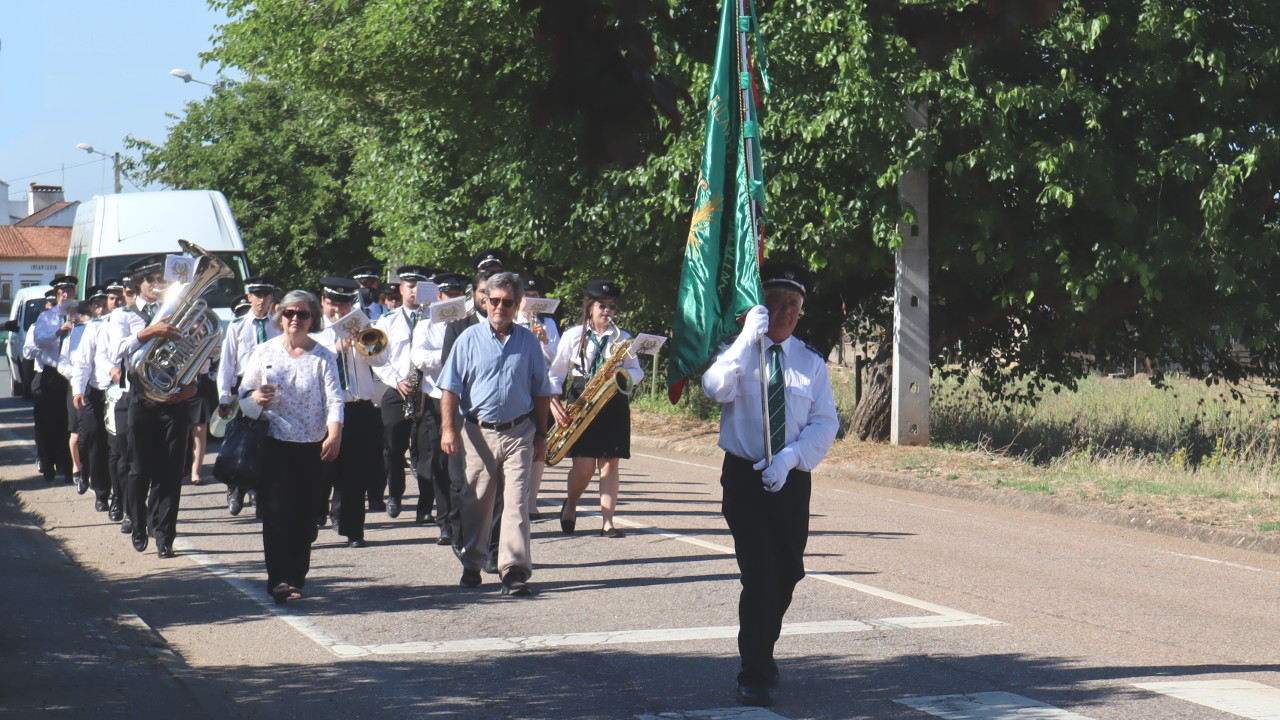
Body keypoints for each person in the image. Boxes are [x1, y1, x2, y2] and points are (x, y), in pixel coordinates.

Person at [701, 262, 839, 708]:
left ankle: (761, 647)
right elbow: (715, 389)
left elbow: (824, 423)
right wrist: (744, 341)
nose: (784, 312)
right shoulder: (738, 350)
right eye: (775, 303)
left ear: (801, 312)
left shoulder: (811, 362)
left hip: (791, 478)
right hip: (744, 477)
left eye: (792, 306)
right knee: (760, 576)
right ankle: (755, 671)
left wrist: (791, 457)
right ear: (760, 307)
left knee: (787, 573)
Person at [438, 271, 553, 596]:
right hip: (478, 433)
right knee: (477, 502)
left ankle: (513, 570)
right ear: (485, 301)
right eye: (494, 301)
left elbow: (540, 390)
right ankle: (472, 563)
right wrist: (449, 429)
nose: (500, 307)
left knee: (517, 502)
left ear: (517, 305)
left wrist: (542, 434)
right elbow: (450, 388)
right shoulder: (468, 339)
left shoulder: (528, 341)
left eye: (507, 302)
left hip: (519, 432)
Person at [239, 290, 343, 604]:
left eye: (302, 314)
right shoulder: (264, 351)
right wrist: (255, 398)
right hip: (274, 443)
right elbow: (243, 394)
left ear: (313, 319)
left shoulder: (323, 355)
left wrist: (334, 434)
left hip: (313, 445)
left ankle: (297, 575)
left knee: (305, 514)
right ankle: (279, 580)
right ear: (280, 316)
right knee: (276, 513)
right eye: (289, 313)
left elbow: (335, 398)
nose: (295, 319)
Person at [110, 255, 199, 558]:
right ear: (139, 285)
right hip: (141, 399)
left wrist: (192, 388)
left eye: (162, 280)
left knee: (171, 472)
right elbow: (115, 351)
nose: (158, 285)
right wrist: (149, 332)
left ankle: (164, 536)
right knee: (138, 470)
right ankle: (137, 521)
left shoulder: (182, 315)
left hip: (174, 400)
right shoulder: (124, 316)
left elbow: (201, 357)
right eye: (151, 280)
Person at [549, 279, 643, 538]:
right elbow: (555, 374)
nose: (607, 311)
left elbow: (637, 372)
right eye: (602, 306)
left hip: (613, 399)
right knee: (584, 467)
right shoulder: (572, 335)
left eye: (612, 307)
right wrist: (553, 402)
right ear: (590, 307)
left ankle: (608, 522)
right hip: (582, 396)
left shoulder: (623, 338)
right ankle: (571, 503)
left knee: (611, 463)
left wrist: (622, 373)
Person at [311, 277, 386, 548]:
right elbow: (312, 361)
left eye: (344, 305)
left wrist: (363, 342)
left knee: (356, 474)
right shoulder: (313, 332)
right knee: (320, 471)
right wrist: (339, 347)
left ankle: (353, 529)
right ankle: (311, 523)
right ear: (323, 302)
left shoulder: (361, 326)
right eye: (333, 304)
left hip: (358, 409)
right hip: (326, 411)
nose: (338, 310)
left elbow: (381, 360)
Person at [409, 271, 471, 542]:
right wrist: (447, 355)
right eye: (449, 296)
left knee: (466, 463)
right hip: (437, 397)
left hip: (466, 399)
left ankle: (465, 518)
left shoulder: (470, 323)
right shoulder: (426, 323)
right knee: (440, 461)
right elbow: (418, 357)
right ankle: (444, 519)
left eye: (458, 296)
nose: (453, 300)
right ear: (439, 296)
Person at [217, 276, 281, 515]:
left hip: (272, 390)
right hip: (244, 390)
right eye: (257, 295)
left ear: (272, 298)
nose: (261, 300)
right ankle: (234, 489)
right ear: (249, 297)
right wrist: (224, 397)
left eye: (266, 295)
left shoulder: (278, 326)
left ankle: (258, 491)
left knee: (265, 443)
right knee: (240, 443)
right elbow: (227, 364)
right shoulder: (237, 326)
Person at [371, 265, 431, 518]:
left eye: (419, 286)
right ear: (401, 289)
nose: (414, 291)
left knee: (427, 449)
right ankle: (395, 494)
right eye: (409, 286)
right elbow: (376, 357)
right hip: (399, 388)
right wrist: (396, 381)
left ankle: (426, 506)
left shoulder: (435, 318)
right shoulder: (387, 321)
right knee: (393, 447)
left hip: (428, 390)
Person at [70, 287, 117, 512]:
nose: (102, 306)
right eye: (96, 303)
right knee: (96, 442)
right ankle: (101, 491)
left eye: (105, 302)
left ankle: (119, 492)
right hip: (98, 392)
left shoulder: (125, 323)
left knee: (119, 447)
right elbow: (83, 362)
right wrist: (78, 389)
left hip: (123, 391)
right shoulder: (93, 328)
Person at [31, 275, 78, 485]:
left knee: (69, 423)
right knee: (49, 422)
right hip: (52, 374)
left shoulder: (81, 314)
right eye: (62, 292)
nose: (66, 295)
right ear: (58, 295)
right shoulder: (46, 317)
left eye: (69, 291)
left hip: (74, 373)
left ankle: (68, 467)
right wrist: (59, 331)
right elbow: (39, 340)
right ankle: (49, 463)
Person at [520, 276, 560, 519]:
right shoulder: (511, 321)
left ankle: (532, 502)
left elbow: (557, 360)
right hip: (518, 389)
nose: (532, 301)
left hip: (539, 390)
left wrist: (545, 341)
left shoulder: (549, 323)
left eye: (535, 296)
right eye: (527, 296)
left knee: (538, 445)